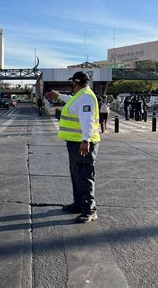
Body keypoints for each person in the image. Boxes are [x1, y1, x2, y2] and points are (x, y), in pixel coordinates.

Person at [45, 71, 101, 223]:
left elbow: (88, 120)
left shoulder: (86, 97)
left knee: (84, 176)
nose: (71, 85)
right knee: (77, 175)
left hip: (82, 144)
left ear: (75, 82)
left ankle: (90, 210)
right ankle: (78, 204)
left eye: (72, 83)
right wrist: (58, 96)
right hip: (75, 143)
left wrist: (86, 140)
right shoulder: (80, 96)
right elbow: (72, 101)